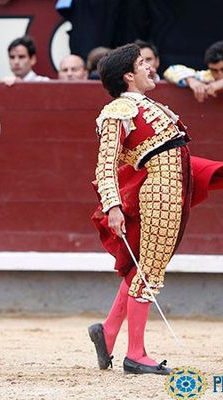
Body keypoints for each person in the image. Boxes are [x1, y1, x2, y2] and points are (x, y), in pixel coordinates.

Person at [89, 43, 223, 375]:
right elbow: (105, 166)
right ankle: (136, 353)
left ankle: (107, 333)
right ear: (128, 76)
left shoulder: (143, 104)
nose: (151, 67)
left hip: (173, 183)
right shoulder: (119, 110)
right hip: (160, 191)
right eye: (143, 63)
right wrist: (113, 207)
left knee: (143, 267)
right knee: (149, 272)